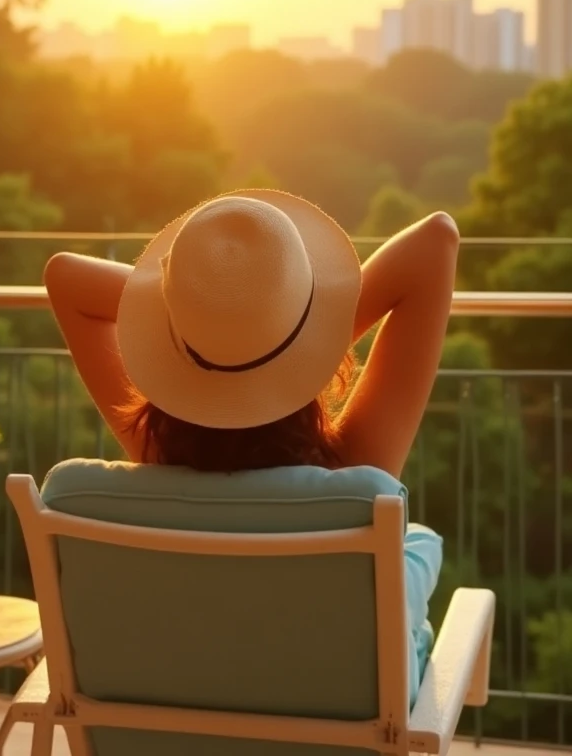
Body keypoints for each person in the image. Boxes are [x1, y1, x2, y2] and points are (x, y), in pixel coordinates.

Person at [44, 188, 459, 701]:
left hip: (179, 734)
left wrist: (202, 326)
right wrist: (296, 337)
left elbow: (64, 277)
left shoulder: (151, 458)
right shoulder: (353, 481)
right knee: (417, 548)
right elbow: (436, 239)